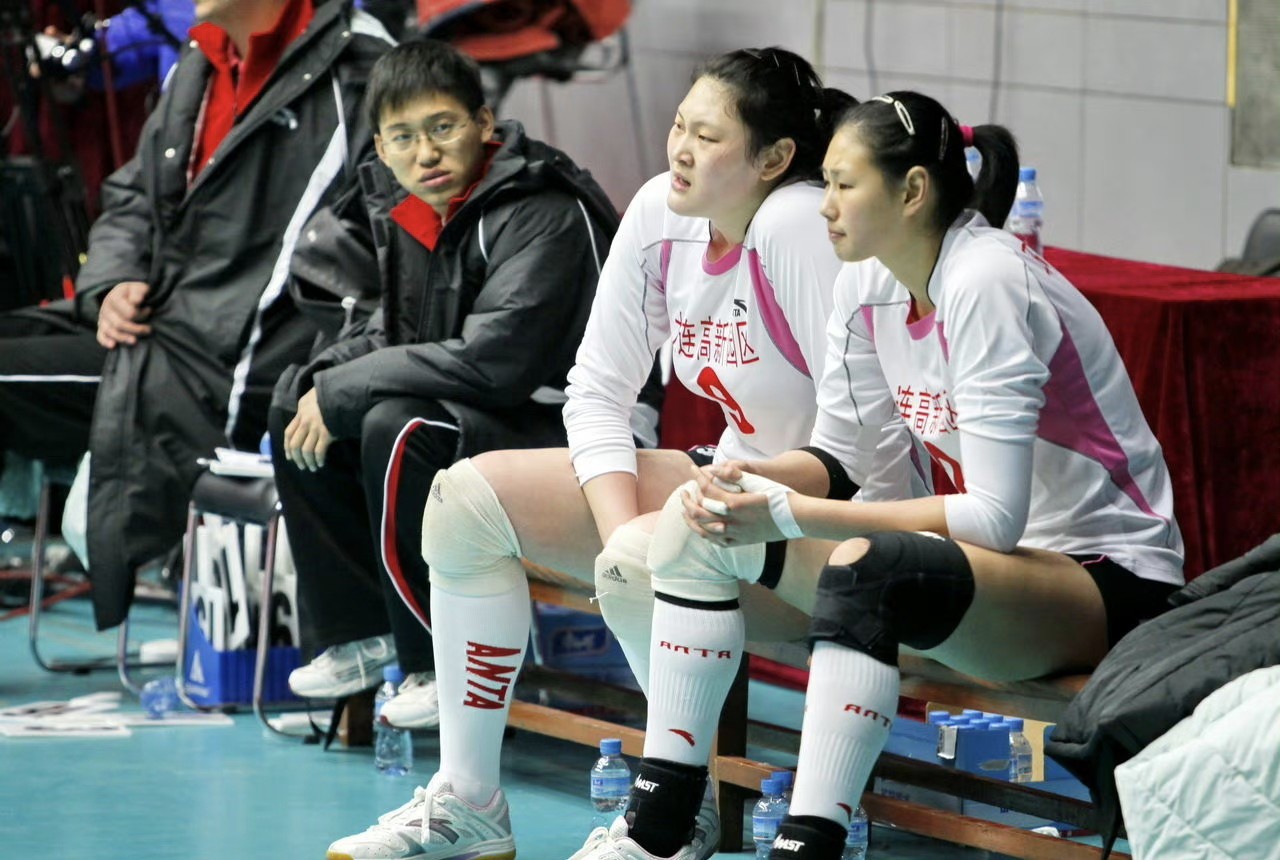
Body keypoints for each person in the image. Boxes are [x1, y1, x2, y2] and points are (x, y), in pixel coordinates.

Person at [324, 47, 919, 860]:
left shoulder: (795, 227)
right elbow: (596, 391)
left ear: (774, 158)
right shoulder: (659, 212)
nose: (680, 149)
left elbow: (869, 444)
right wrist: (618, 536)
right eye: (679, 126)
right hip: (730, 487)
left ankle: (674, 809)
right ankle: (470, 800)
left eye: (707, 137)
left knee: (655, 550)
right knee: (466, 500)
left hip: (834, 523)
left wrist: (666, 540)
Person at [658, 91, 1185, 860]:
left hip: (1104, 579)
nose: (824, 206)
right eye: (825, 184)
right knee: (695, 529)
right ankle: (660, 824)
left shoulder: (988, 281)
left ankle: (807, 844)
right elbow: (841, 461)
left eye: (844, 185)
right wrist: (747, 480)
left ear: (911, 191)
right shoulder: (866, 281)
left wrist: (794, 514)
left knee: (869, 570)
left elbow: (993, 518)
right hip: (994, 575)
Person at [0, 0, 393, 630]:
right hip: (155, 320)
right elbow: (133, 195)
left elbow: (376, 259)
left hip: (214, 364)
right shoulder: (201, 57)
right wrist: (111, 282)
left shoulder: (362, 66)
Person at [272, 38, 632, 728]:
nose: (426, 153)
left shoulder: (542, 209)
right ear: (381, 148)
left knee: (400, 427)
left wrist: (345, 389)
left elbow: (495, 362)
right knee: (298, 399)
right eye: (403, 137)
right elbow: (401, 333)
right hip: (496, 411)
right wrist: (323, 382)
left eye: (443, 127)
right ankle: (363, 634)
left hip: (583, 432)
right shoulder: (415, 208)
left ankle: (441, 660)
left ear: (484, 123)